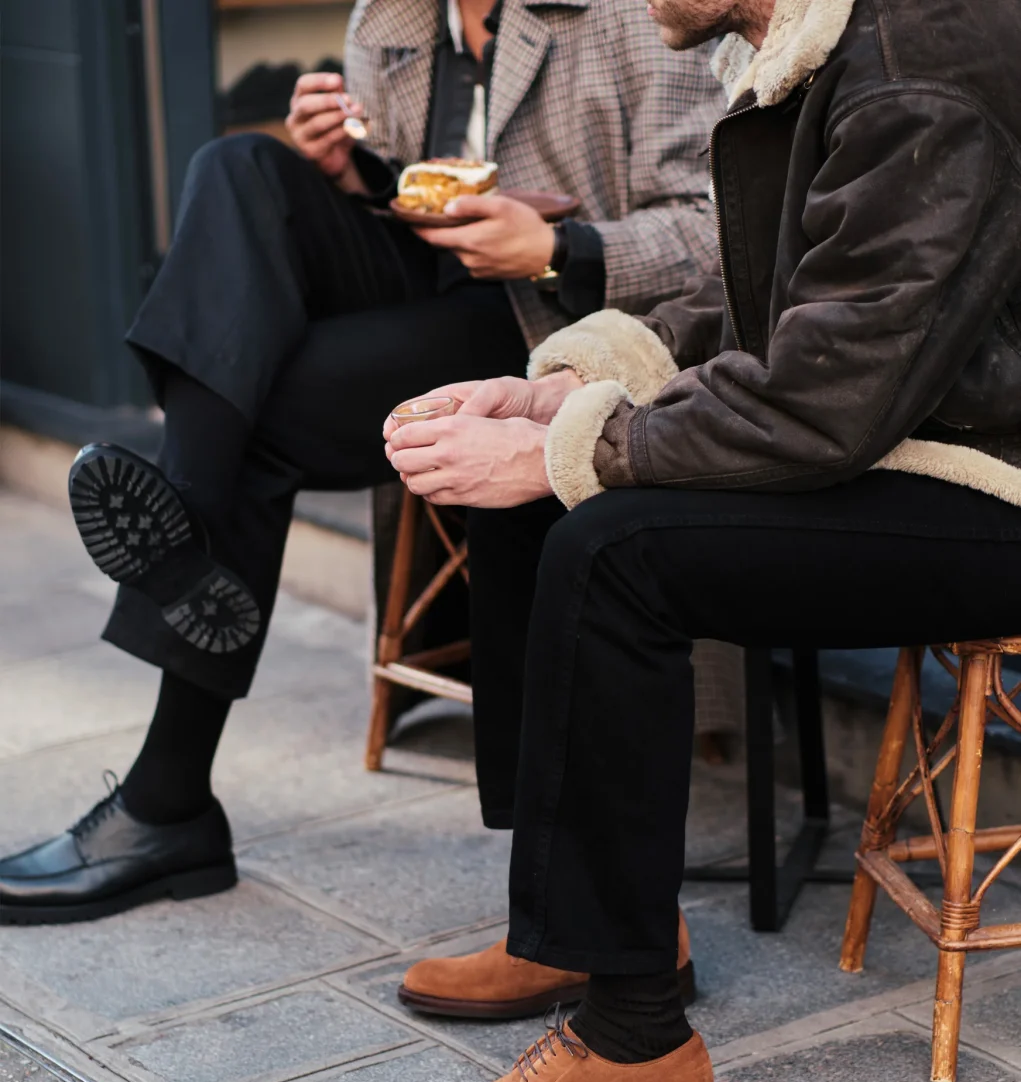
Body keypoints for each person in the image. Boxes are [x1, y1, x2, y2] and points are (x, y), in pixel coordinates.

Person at [382, 0, 1021, 1082]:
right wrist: (563, 394)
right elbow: (785, 317)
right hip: (907, 431)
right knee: (544, 493)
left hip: (992, 481)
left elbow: (822, 398)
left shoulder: (916, 66)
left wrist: (572, 446)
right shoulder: (824, 49)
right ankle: (579, 931)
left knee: (610, 548)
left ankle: (634, 1049)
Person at [0, 0, 727, 924]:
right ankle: (183, 550)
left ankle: (168, 786)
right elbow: (408, 191)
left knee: (249, 408)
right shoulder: (395, 14)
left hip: (551, 321)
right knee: (236, 163)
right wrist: (348, 171)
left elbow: (716, 226)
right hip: (422, 288)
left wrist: (556, 249)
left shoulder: (631, 13)